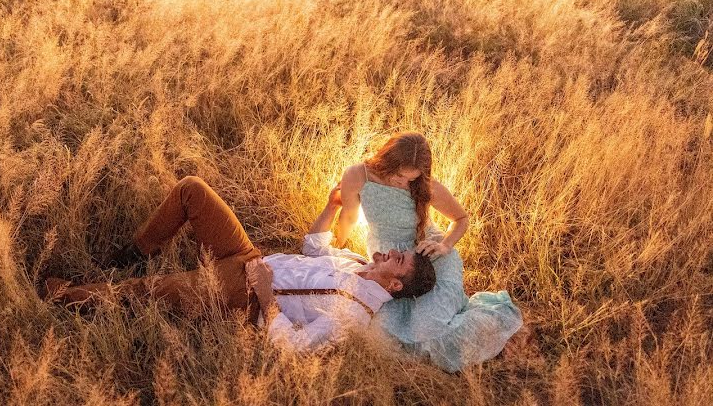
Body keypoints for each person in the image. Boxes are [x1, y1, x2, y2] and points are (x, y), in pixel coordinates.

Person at [40, 176, 436, 352]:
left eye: (397, 260)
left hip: (242, 297)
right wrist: (330, 208)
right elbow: (314, 246)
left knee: (149, 292)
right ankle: (137, 252)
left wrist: (266, 297)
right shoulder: (356, 261)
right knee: (192, 190)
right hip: (248, 257)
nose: (386, 254)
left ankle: (66, 298)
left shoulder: (354, 314)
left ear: (396, 285)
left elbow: (293, 347)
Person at [333, 132, 523, 371]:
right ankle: (457, 326)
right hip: (393, 265)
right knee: (384, 328)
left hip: (433, 259)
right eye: (399, 176)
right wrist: (335, 248)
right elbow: (349, 217)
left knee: (428, 326)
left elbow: (461, 219)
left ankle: (489, 320)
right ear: (385, 161)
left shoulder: (424, 186)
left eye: (410, 178)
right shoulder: (357, 175)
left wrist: (445, 245)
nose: (404, 183)